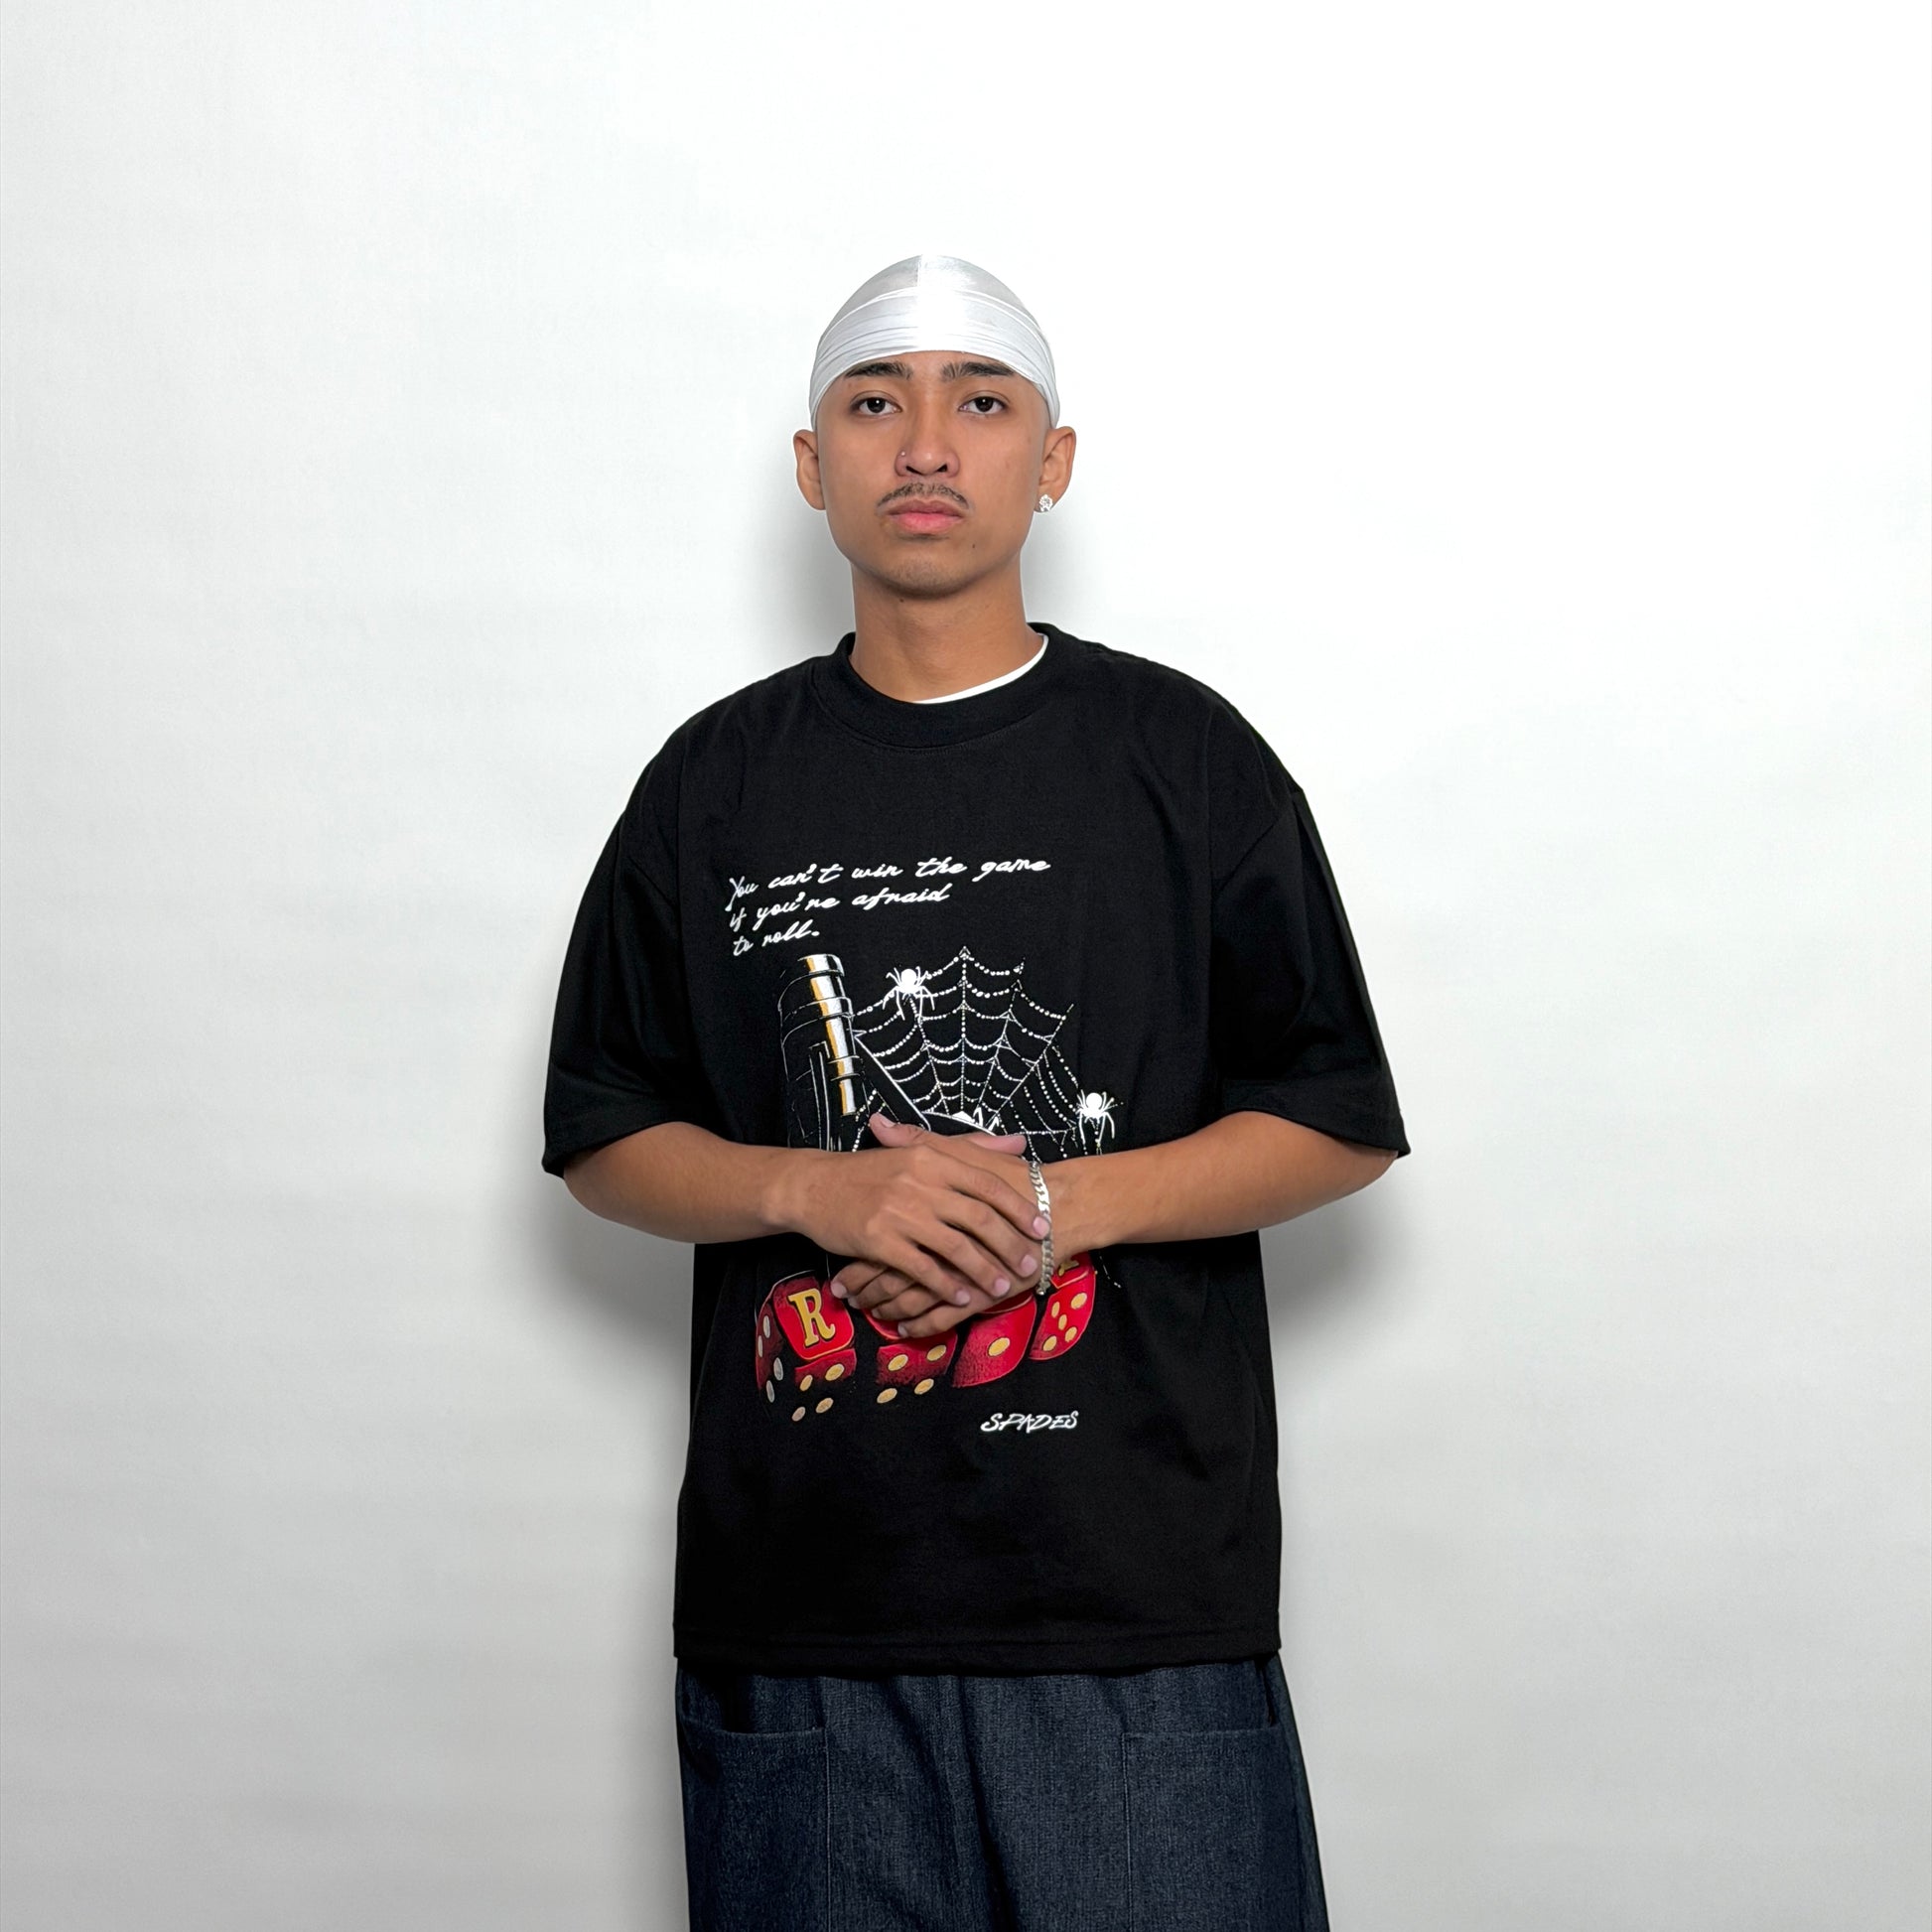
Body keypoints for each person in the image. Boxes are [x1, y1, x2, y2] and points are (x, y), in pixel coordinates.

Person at [542, 254, 1409, 1931]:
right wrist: (817, 1190)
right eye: (876, 402)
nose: (926, 442)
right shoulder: (712, 781)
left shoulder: (1185, 758)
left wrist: (1047, 1208)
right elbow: (601, 1129)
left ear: (1051, 460)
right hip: (802, 1614)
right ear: (814, 466)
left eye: (981, 401)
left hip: (1136, 1611)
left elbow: (1336, 1111)